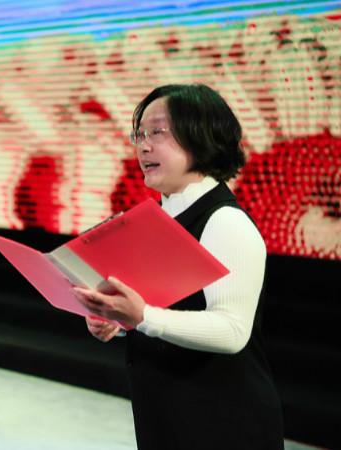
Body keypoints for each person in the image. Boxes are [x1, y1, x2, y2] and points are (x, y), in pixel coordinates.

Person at [71, 84, 284, 450]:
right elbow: (163, 308)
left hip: (223, 421)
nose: (143, 146)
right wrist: (117, 320)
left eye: (158, 132)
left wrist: (141, 317)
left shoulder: (225, 221)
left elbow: (232, 331)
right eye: (139, 135)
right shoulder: (158, 219)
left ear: (201, 137)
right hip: (166, 413)